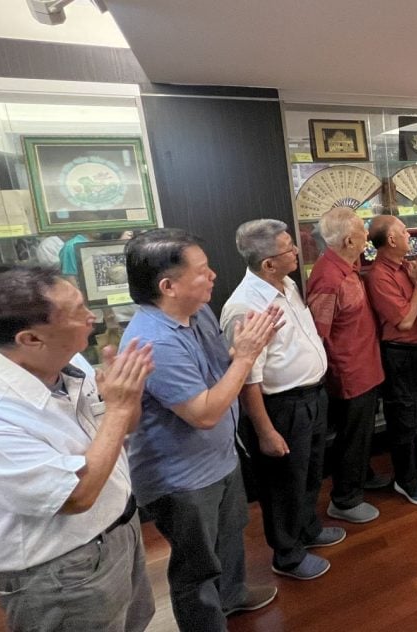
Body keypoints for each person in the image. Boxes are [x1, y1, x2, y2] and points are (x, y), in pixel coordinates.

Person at [0, 264, 155, 632]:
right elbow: (76, 496)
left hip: (120, 529)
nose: (91, 317)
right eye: (76, 312)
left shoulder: (68, 361)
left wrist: (128, 399)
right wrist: (120, 407)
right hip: (63, 571)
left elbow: (122, 429)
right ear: (30, 339)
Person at [122, 228, 281, 630]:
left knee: (229, 538)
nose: (213, 276)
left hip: (220, 458)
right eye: (202, 270)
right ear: (168, 286)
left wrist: (244, 348)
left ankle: (232, 596)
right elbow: (204, 412)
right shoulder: (152, 341)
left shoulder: (197, 312)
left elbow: (217, 371)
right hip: (183, 478)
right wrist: (245, 357)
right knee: (196, 566)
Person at [220, 219, 343, 581]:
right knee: (282, 484)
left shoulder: (286, 284)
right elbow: (247, 379)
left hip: (311, 396)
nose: (296, 250)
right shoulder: (245, 308)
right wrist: (265, 431)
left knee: (309, 473)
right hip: (281, 407)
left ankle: (307, 528)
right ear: (267, 264)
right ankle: (287, 554)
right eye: (288, 248)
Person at [305, 208, 386, 524]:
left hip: (365, 366)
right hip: (349, 373)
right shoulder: (327, 278)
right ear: (350, 239)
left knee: (361, 433)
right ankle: (345, 499)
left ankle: (361, 476)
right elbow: (319, 334)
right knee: (351, 437)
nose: (368, 236)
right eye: (364, 232)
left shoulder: (346, 268)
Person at [366, 214, 417, 506]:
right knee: (405, 416)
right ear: (391, 240)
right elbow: (405, 322)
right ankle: (404, 479)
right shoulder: (379, 275)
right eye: (402, 229)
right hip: (401, 353)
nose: (409, 233)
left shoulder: (405, 266)